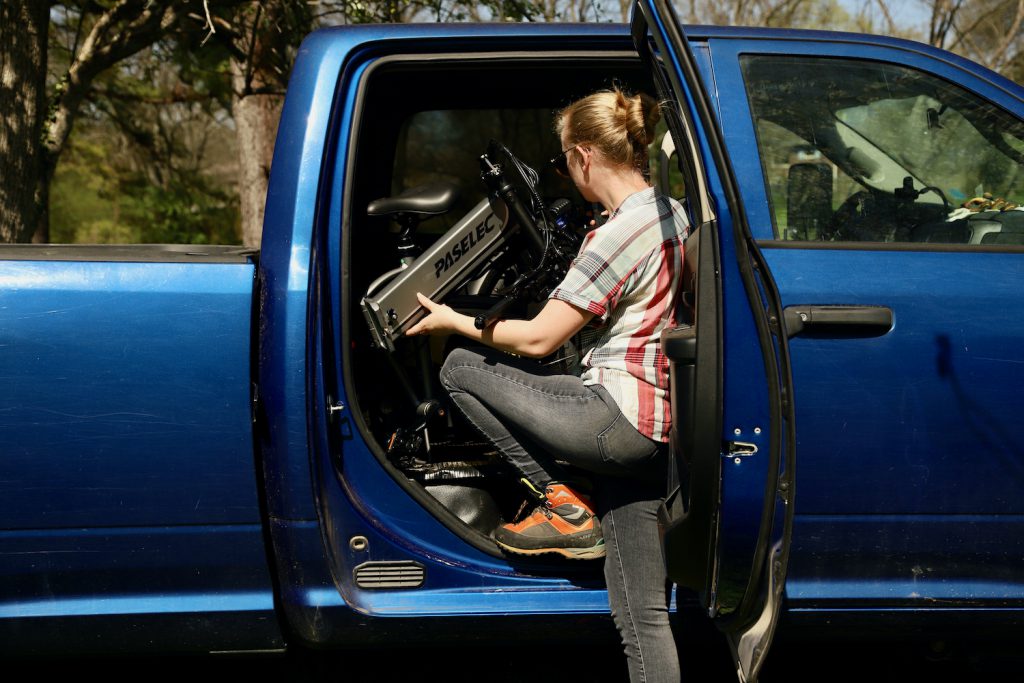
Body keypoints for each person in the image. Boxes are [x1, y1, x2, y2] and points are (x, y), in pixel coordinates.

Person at [406, 87, 688, 683]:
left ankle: (561, 502)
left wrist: (456, 319)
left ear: (585, 157)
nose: (565, 172)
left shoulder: (620, 232)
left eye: (563, 161)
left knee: (459, 366)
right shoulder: (674, 212)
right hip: (658, 438)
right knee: (642, 615)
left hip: (616, 418)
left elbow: (539, 339)